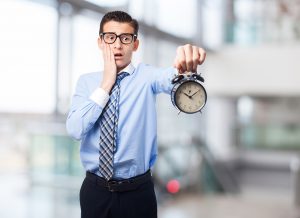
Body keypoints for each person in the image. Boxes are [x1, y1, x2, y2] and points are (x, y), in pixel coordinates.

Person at [66, 11, 206, 218]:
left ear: (135, 44)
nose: (117, 45)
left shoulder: (147, 76)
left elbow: (171, 77)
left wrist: (183, 67)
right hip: (95, 190)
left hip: (138, 193)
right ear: (100, 42)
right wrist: (106, 83)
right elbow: (75, 129)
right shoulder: (86, 82)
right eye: (110, 37)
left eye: (125, 38)